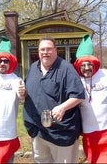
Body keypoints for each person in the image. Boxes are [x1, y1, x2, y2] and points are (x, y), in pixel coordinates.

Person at [23, 35, 85, 163]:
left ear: (55, 50)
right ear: (38, 51)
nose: (45, 52)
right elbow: (29, 93)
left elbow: (78, 95)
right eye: (42, 50)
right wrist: (22, 94)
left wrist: (62, 107)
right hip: (38, 129)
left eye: (49, 49)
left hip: (61, 131)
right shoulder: (33, 68)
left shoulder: (66, 69)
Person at [73, 34, 107, 163]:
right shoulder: (76, 80)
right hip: (89, 132)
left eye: (88, 64)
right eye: (83, 65)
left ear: (94, 63)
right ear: (78, 66)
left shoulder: (106, 75)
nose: (86, 68)